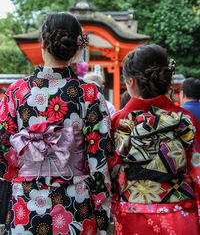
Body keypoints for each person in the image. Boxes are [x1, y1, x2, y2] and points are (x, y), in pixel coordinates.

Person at [0, 12, 113, 234]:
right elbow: (101, 157)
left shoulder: (16, 92)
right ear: (77, 47)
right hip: (75, 205)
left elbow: (3, 149)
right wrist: (101, 210)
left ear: (42, 43)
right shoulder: (89, 93)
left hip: (26, 204)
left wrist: (26, 169)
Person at [111, 44, 200, 234]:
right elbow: (198, 170)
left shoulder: (119, 121)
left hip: (133, 211)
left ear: (131, 81)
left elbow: (108, 170)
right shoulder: (186, 119)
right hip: (180, 211)